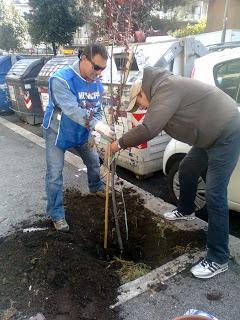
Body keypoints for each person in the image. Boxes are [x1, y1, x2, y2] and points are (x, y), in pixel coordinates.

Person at [110, 66, 240, 279]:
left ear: (143, 92)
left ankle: (218, 258)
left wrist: (119, 144)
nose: (140, 108)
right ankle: (186, 209)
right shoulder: (162, 92)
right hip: (209, 135)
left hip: (226, 132)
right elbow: (150, 124)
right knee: (187, 167)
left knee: (215, 194)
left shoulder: (166, 88)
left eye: (139, 103)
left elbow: (148, 129)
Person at [43, 43, 114, 232]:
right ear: (83, 59)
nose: (99, 73)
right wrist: (96, 125)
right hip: (58, 131)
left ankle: (96, 186)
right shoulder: (60, 79)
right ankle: (56, 214)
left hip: (82, 132)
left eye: (103, 69)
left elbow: (97, 109)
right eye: (96, 67)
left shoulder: (97, 83)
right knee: (54, 175)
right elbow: (71, 109)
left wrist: (97, 128)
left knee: (93, 161)